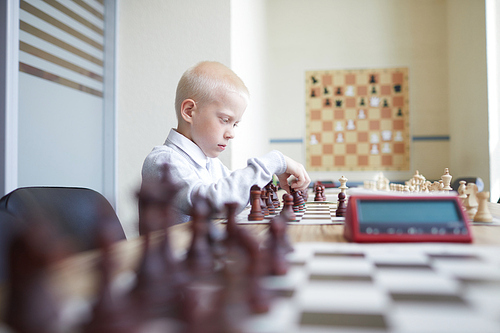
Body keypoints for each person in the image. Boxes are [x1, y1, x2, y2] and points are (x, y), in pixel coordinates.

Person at [142, 61, 310, 222]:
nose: (231, 134)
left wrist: (272, 181)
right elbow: (216, 203)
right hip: (179, 251)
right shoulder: (163, 162)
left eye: (235, 124)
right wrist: (275, 161)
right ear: (189, 111)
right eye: (225, 120)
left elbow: (240, 192)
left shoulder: (210, 163)